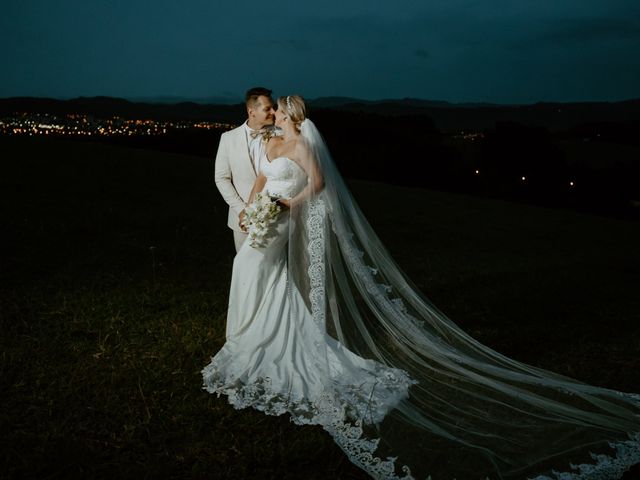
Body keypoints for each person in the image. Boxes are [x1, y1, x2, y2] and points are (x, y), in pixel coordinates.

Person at [203, 95, 640, 479]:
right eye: (269, 108)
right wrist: (254, 206)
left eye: (278, 108)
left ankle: (256, 334)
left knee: (255, 268)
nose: (272, 112)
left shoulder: (302, 144)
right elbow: (262, 176)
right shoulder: (273, 141)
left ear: (293, 116)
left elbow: (315, 184)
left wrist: (283, 204)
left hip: (282, 216)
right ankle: (249, 330)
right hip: (265, 215)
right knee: (255, 269)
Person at [214, 87, 275, 252]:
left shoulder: (281, 135)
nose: (274, 112)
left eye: (273, 107)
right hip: (241, 222)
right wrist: (241, 210)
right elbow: (221, 178)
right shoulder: (228, 139)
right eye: (267, 108)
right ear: (252, 111)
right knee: (245, 270)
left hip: (276, 217)